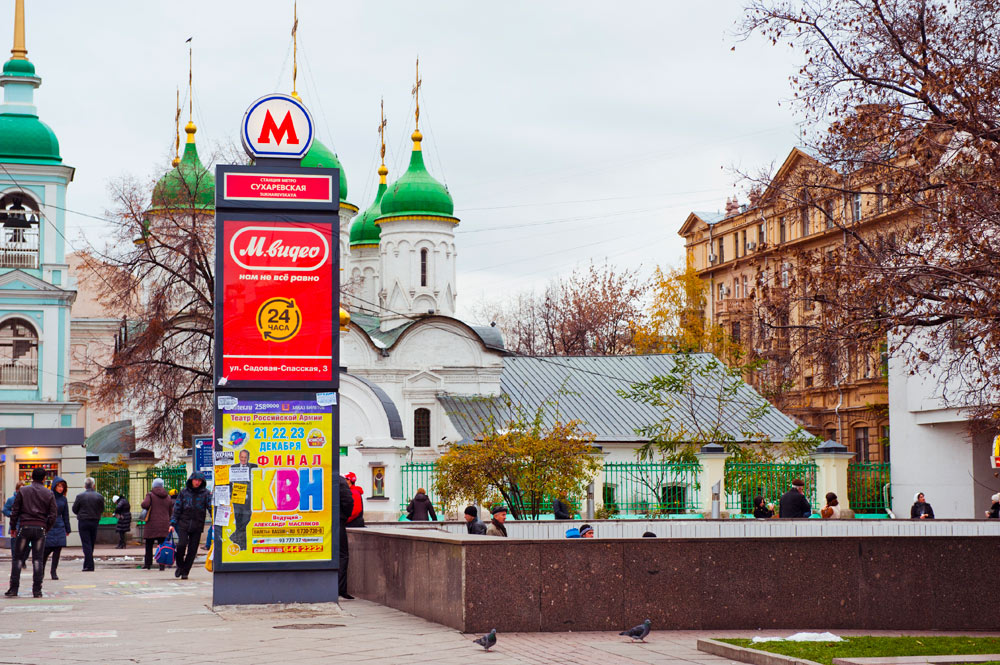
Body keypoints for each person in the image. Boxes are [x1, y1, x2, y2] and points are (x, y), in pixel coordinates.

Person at [5, 467, 56, 597]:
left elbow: (15, 511)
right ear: (44, 478)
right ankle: (37, 590)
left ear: (32, 477)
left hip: (25, 527)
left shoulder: (23, 490)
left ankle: (14, 588)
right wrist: (46, 527)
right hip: (40, 528)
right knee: (38, 560)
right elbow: (53, 514)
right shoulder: (48, 493)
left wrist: (13, 528)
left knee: (17, 558)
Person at [169, 471, 210, 580]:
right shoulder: (184, 493)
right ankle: (180, 565)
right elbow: (177, 509)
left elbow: (211, 508)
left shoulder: (206, 493)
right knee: (181, 545)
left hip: (198, 525)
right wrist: (172, 523)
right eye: (196, 480)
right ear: (191, 480)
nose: (197, 482)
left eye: (200, 481)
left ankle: (185, 571)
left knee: (192, 550)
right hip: (184, 524)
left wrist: (216, 521)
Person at [72, 477, 104, 572]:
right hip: (94, 521)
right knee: (91, 542)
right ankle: (87, 564)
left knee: (86, 543)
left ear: (85, 486)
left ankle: (89, 565)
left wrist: (81, 513)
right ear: (94, 485)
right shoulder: (99, 496)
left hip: (83, 521)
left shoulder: (80, 496)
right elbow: (101, 509)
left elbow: (74, 509)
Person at [141, 478, 173, 570]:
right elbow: (171, 511)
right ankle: (162, 565)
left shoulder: (150, 495)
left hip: (151, 524)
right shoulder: (168, 497)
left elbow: (145, 505)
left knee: (149, 545)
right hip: (164, 525)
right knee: (162, 545)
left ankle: (148, 564)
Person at [228, 449, 257, 551]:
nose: (243, 459)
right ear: (239, 457)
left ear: (248, 458)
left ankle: (235, 537)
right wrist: (230, 495)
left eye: (245, 457)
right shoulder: (233, 467)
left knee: (247, 519)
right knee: (239, 521)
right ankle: (242, 545)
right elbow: (230, 483)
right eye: (242, 457)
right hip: (237, 498)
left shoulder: (254, 467)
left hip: (249, 499)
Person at [42, 477, 71, 580]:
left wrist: (68, 529)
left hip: (59, 526)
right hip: (49, 525)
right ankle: (41, 571)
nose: (61, 488)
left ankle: (53, 571)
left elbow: (66, 515)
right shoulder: (48, 496)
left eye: (62, 486)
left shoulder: (64, 499)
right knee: (46, 550)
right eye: (59, 486)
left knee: (58, 550)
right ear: (54, 486)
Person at [4, 481, 29, 569]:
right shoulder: (11, 499)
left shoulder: (27, 499)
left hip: (25, 525)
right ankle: (15, 562)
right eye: (20, 489)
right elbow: (5, 509)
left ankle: (23, 560)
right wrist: (11, 514)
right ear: (17, 490)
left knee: (27, 545)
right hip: (15, 525)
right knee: (15, 545)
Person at [338, 473, 355, 600]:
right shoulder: (340, 481)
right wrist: (344, 517)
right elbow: (348, 501)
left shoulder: (317, 474)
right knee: (342, 555)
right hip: (337, 522)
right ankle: (340, 589)